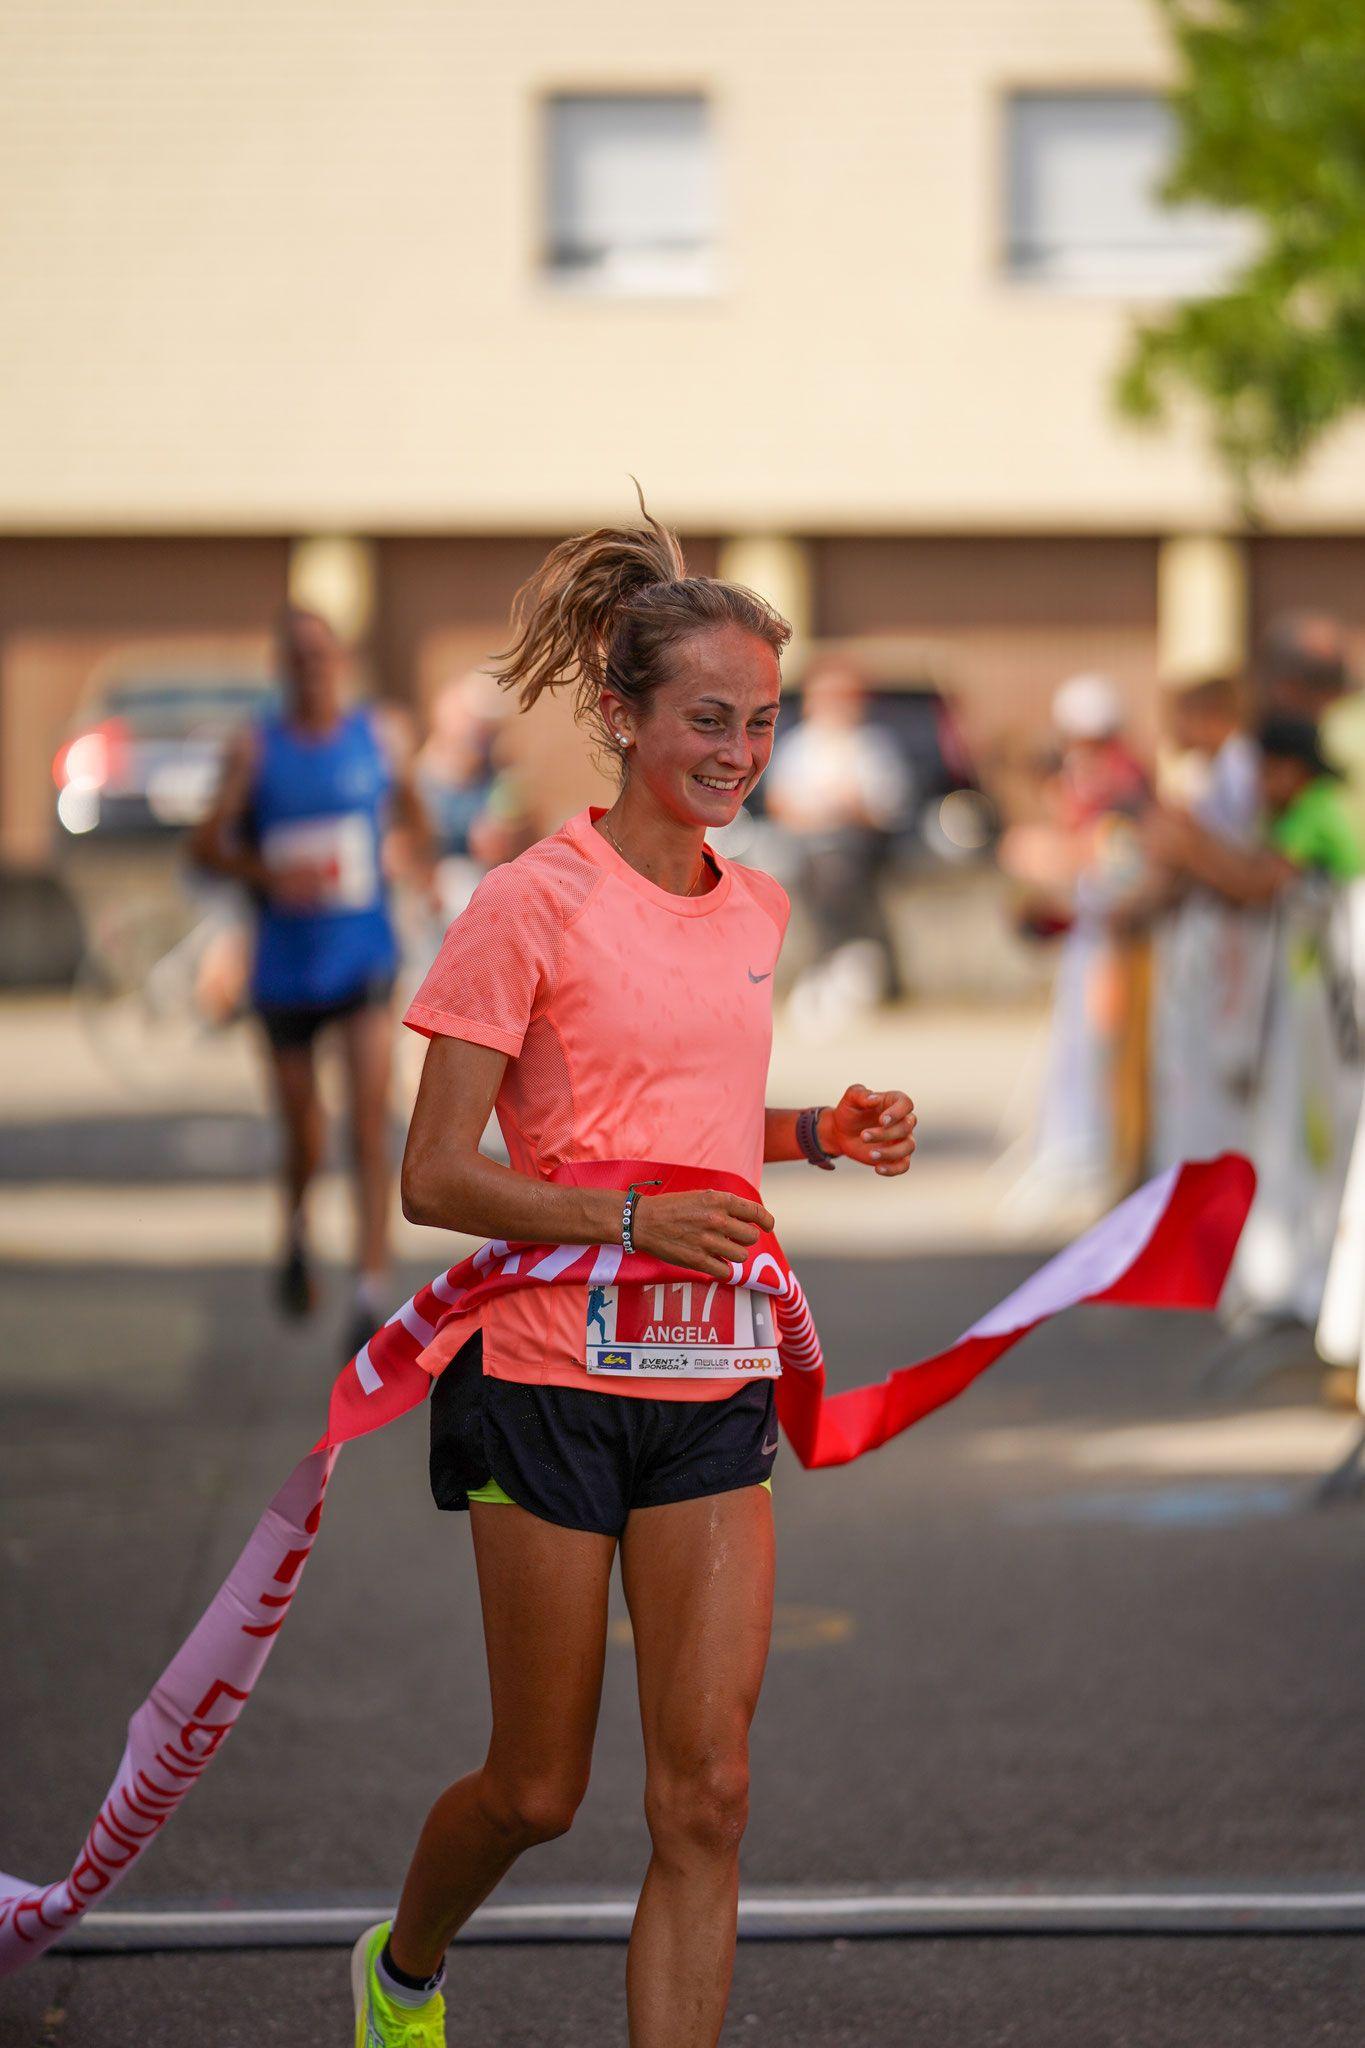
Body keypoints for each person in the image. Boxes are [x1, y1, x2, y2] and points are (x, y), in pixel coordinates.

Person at [349, 504, 917, 2048]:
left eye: (763, 721)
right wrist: (628, 1225)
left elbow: (691, 1126)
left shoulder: (759, 904)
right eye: (708, 719)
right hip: (539, 1384)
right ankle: (401, 1969)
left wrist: (815, 1131)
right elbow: (436, 1174)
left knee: (710, 1793)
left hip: (706, 1384)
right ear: (621, 714)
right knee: (539, 1787)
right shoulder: (527, 902)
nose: (739, 750)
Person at [192, 605, 431, 1354]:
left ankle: (368, 1291)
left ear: (340, 661)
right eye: (295, 658)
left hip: (362, 957)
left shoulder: (376, 740)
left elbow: (417, 822)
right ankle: (295, 1230)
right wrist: (267, 872)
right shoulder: (255, 750)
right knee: (304, 1132)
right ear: (279, 668)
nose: (310, 669)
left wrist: (403, 856)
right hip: (285, 968)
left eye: (320, 656)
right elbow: (205, 845)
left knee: (368, 1120)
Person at [763, 654, 907, 1014]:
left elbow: (886, 809)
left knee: (834, 869)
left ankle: (844, 960)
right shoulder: (797, 746)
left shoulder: (873, 747)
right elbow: (779, 804)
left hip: (856, 847)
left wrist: (848, 808)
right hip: (802, 843)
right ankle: (838, 962)